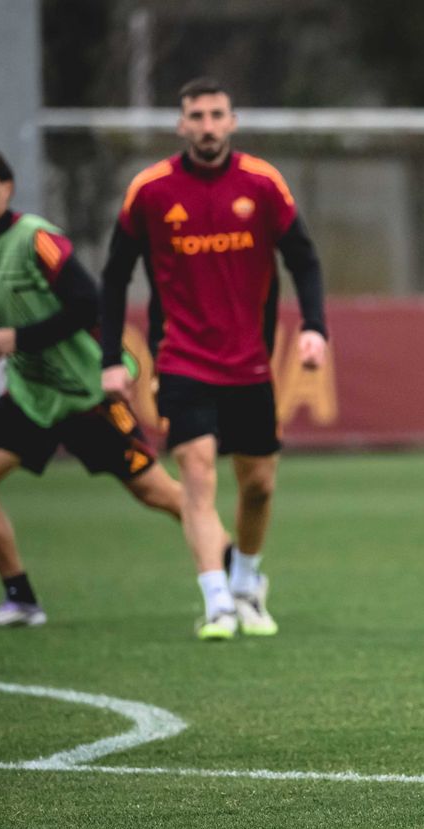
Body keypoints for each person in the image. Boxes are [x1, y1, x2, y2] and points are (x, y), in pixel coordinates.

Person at [99, 78, 328, 641]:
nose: (206, 125)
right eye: (196, 116)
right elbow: (114, 276)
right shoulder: (151, 189)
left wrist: (314, 328)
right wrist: (110, 359)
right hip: (181, 359)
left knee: (259, 486)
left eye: (216, 115)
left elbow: (304, 260)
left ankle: (246, 583)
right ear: (182, 125)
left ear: (232, 122)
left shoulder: (262, 183)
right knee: (197, 478)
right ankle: (217, 601)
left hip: (250, 363)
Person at [0, 149, 183, 629]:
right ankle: (21, 600)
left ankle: (235, 568)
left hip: (88, 397)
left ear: (7, 188)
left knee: (157, 493)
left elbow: (88, 303)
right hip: (31, 397)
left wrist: (21, 339)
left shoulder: (37, 238)